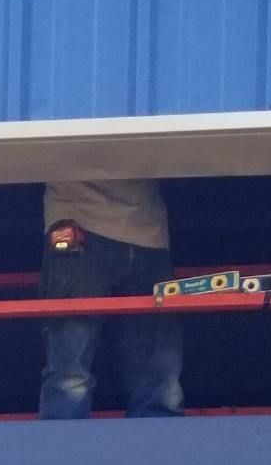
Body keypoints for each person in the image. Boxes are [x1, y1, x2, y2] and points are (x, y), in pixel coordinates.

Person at [38, 178, 183, 420]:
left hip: (125, 228)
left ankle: (60, 449)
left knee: (72, 374)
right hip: (104, 227)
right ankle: (60, 449)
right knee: (155, 378)